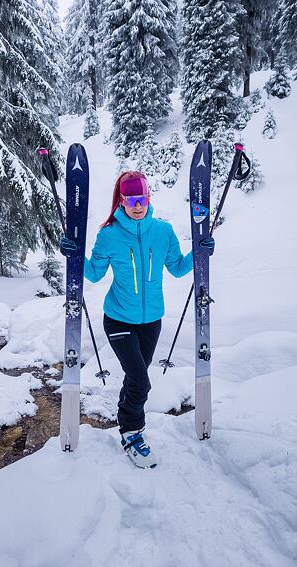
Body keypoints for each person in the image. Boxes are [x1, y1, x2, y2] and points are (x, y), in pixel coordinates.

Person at [60, 171, 214, 469]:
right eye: (130, 199)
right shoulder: (110, 234)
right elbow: (93, 274)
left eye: (141, 198)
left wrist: (200, 251)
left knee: (135, 378)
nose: (137, 205)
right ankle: (133, 434)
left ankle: (125, 420)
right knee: (141, 380)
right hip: (118, 320)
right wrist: (73, 254)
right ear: (121, 200)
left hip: (151, 321)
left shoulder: (163, 231)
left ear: (148, 198)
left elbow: (179, 268)